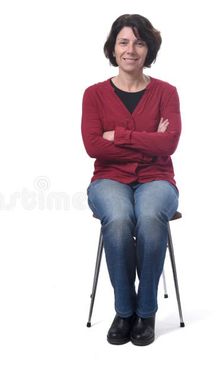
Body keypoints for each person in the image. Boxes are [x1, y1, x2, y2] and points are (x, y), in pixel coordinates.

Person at [81, 14, 181, 346]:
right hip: (108, 179)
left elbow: (169, 144)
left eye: (139, 42)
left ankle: (146, 310)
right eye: (124, 42)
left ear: (148, 49)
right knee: (121, 218)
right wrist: (147, 138)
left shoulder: (167, 92)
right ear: (113, 48)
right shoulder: (94, 95)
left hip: (158, 178)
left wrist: (118, 136)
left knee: (151, 217)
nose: (131, 50)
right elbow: (93, 146)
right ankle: (124, 311)